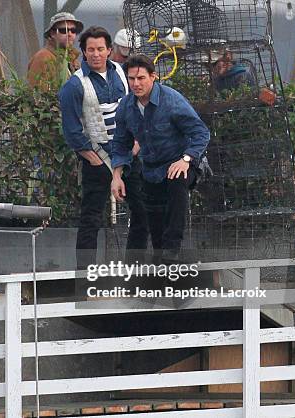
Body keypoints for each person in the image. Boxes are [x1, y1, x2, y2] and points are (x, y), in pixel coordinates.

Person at [111, 54, 210, 263]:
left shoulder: (171, 100)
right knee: (154, 223)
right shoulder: (126, 107)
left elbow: (201, 132)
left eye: (141, 78)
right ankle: (163, 271)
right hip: (151, 169)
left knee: (176, 181)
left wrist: (186, 159)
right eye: (131, 79)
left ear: (153, 77)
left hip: (182, 161)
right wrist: (117, 176)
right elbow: (120, 143)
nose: (136, 84)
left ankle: (173, 246)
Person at [59, 26, 129, 270]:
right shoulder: (73, 86)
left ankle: (140, 272)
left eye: (101, 49)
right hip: (97, 160)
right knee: (91, 219)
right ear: (84, 53)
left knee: (142, 212)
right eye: (91, 49)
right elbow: (71, 130)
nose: (96, 54)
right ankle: (85, 278)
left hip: (129, 156)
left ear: (110, 50)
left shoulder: (121, 73)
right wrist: (93, 159)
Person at [110, 29, 149, 261]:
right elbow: (121, 133)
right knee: (141, 214)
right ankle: (133, 270)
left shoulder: (154, 90)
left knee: (148, 215)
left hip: (144, 159)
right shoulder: (115, 76)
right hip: (125, 156)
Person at [27, 12, 83, 91]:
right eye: (63, 30)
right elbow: (36, 94)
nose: (69, 34)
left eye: (73, 30)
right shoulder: (43, 58)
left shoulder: (73, 60)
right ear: (52, 33)